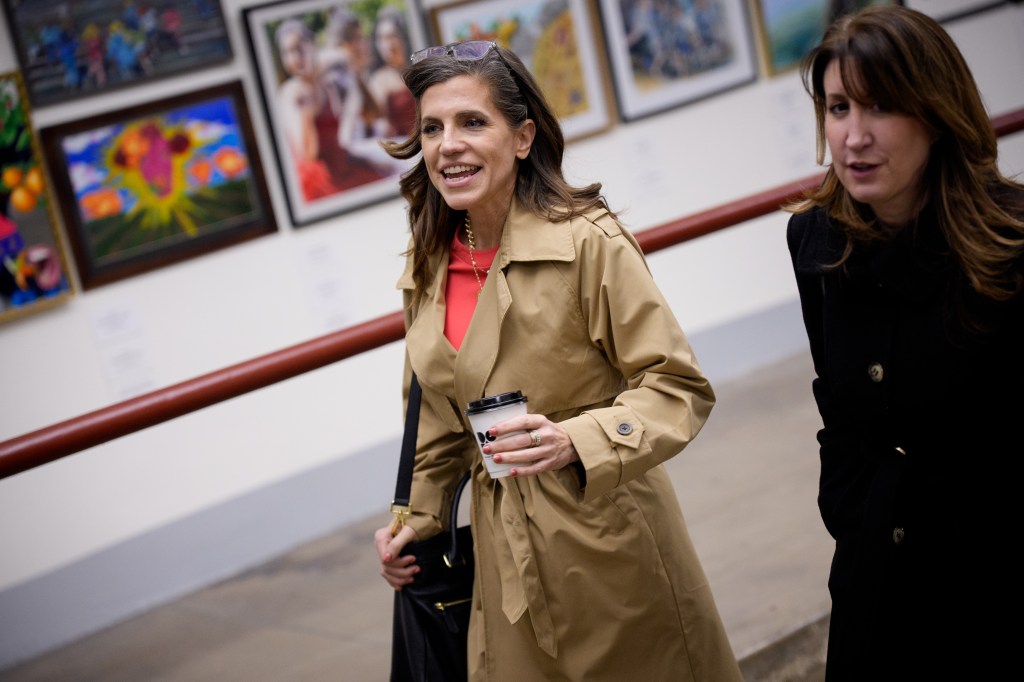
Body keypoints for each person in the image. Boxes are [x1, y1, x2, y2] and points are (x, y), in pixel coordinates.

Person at [373, 40, 741, 680]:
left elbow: (677, 387)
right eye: (432, 127)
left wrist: (576, 439)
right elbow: (435, 418)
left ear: (522, 138)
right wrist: (415, 522)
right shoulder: (428, 262)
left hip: (610, 541)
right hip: (501, 554)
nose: (447, 144)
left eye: (472, 122)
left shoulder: (587, 240)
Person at [785, 6, 1023, 680]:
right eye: (837, 108)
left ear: (936, 113)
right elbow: (837, 409)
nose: (853, 137)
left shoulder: (1010, 243)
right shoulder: (814, 243)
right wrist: (852, 515)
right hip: (876, 581)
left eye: (881, 107)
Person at [273, 18, 390, 201]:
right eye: (288, 53)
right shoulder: (291, 94)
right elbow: (307, 154)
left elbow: (343, 58)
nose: (295, 59)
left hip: (346, 162)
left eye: (299, 48)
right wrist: (307, 112)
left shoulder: (327, 80)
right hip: (321, 177)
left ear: (312, 46)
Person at [367, 6, 416, 138]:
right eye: (381, 39)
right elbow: (378, 123)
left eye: (391, 37)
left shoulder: (418, 69)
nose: (386, 44)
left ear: (403, 37)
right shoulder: (378, 80)